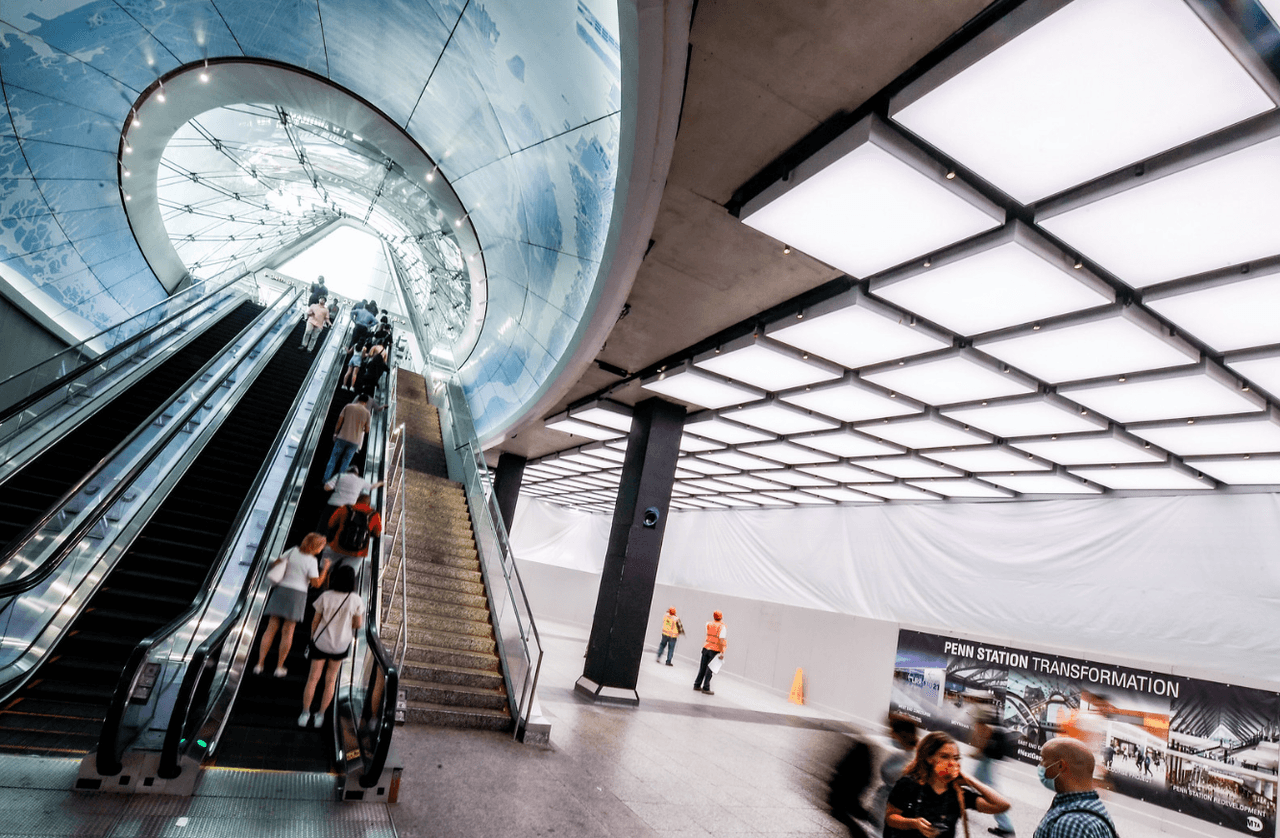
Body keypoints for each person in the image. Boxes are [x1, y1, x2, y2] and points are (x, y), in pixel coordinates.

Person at [885, 731, 1011, 838]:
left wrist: (970, 780)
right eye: (944, 756)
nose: (952, 763)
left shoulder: (957, 792)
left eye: (956, 758)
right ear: (929, 758)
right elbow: (890, 817)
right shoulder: (909, 784)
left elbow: (1002, 805)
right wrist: (913, 823)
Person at [253, 533, 329, 677]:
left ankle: (259, 664)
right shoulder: (312, 561)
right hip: (297, 595)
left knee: (271, 627)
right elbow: (316, 583)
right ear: (315, 546)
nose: (322, 548)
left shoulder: (292, 551)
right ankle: (279, 667)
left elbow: (276, 563)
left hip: (281, 590)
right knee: (288, 631)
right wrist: (325, 569)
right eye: (322, 546)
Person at [299, 564, 364, 728]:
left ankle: (305, 713)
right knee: (330, 680)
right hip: (340, 646)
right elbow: (358, 624)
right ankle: (320, 716)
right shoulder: (355, 600)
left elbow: (315, 621)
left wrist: (312, 639)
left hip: (321, 643)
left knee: (313, 679)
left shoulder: (325, 596)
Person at [1033, 737, 1117, 838]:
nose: (1040, 765)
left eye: (1043, 759)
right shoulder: (1095, 808)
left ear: (1060, 766)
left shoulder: (1070, 823)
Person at [972, 710, 1017, 837]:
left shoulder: (985, 725)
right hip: (989, 757)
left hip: (989, 758)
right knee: (975, 780)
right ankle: (960, 802)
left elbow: (983, 740)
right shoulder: (988, 721)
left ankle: (1006, 827)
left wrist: (977, 752)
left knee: (991, 791)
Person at [872, 715, 920, 827]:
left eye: (893, 731)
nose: (890, 734)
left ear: (903, 733)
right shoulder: (901, 754)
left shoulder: (915, 759)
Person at [323, 489, 383, 574]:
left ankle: (323, 580)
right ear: (369, 504)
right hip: (358, 552)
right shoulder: (375, 515)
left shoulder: (345, 508)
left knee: (325, 569)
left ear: (356, 501)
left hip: (337, 546)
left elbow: (330, 524)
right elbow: (377, 533)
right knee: (348, 575)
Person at [322, 394, 372, 486]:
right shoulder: (367, 413)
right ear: (366, 402)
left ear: (358, 399)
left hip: (342, 437)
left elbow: (339, 421)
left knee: (333, 459)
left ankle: (326, 480)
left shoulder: (348, 406)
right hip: (355, 441)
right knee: (345, 463)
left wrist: (336, 433)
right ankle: (338, 484)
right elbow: (367, 430)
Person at [321, 465, 384, 530]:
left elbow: (327, 488)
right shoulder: (361, 481)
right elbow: (372, 487)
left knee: (324, 525)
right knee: (341, 528)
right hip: (348, 509)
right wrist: (381, 483)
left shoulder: (339, 476)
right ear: (357, 474)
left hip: (333, 505)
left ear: (347, 471)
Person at [693, 610, 726, 695]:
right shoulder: (722, 627)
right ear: (721, 617)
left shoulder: (708, 624)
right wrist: (722, 652)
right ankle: (706, 687)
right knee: (710, 669)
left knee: (702, 668)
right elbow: (721, 640)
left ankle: (697, 684)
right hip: (714, 650)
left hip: (706, 648)